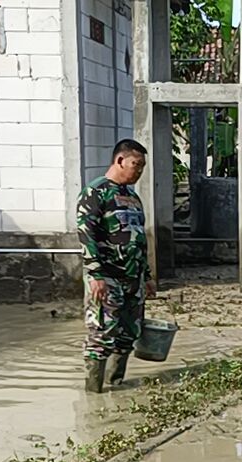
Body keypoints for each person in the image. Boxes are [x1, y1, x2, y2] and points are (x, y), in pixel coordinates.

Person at [78, 139, 157, 393]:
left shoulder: (132, 197)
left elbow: (139, 239)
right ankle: (94, 394)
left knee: (128, 334)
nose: (140, 171)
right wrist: (95, 274)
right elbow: (86, 234)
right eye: (136, 164)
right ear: (120, 161)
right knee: (102, 334)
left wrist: (147, 276)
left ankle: (116, 384)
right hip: (107, 276)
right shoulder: (96, 192)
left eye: (143, 166)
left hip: (133, 277)